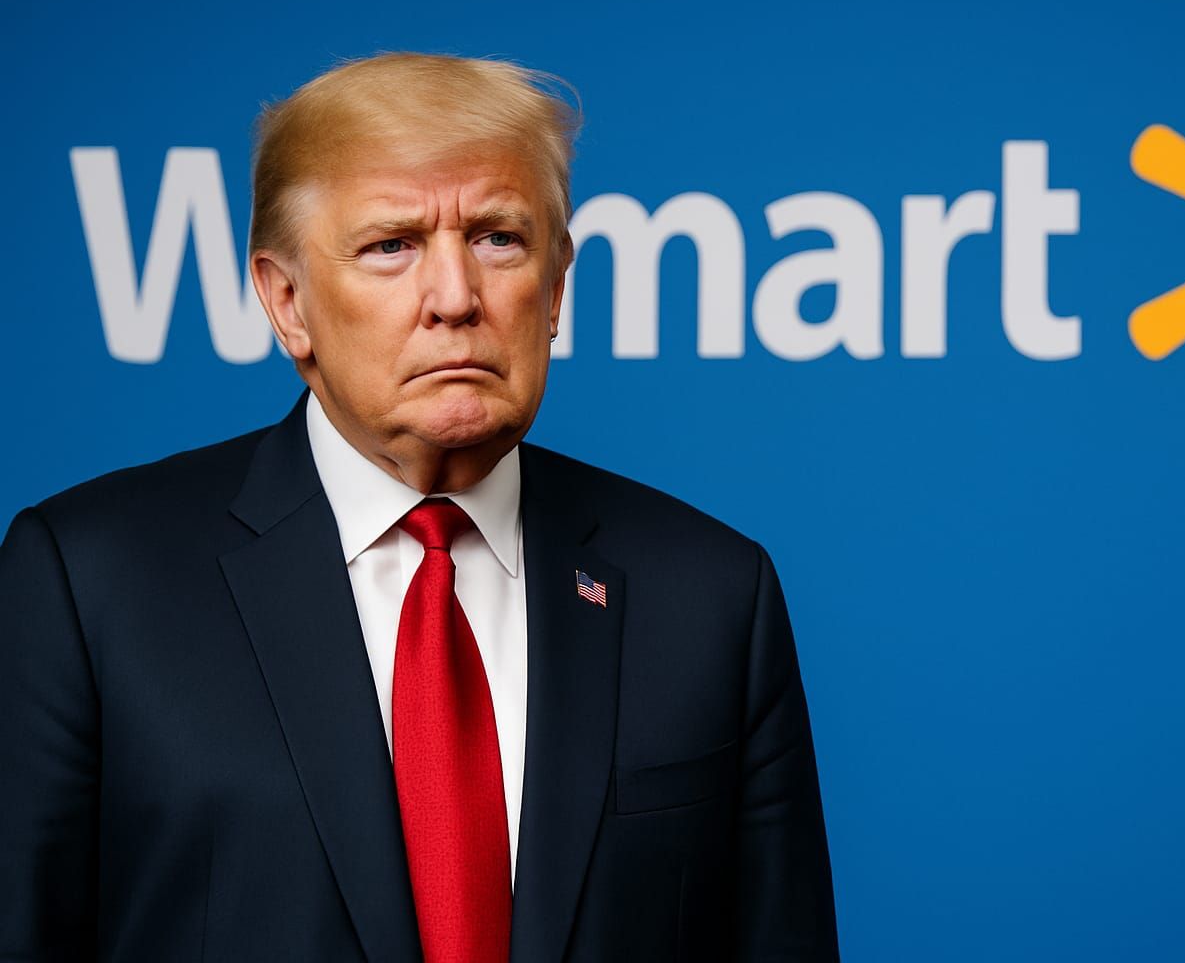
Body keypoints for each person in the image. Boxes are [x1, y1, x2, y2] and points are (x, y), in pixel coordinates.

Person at [0, 53, 839, 962]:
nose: (455, 298)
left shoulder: (713, 595)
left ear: (556, 287)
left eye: (498, 239)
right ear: (287, 301)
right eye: (391, 245)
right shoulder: (88, 584)